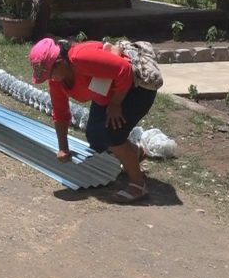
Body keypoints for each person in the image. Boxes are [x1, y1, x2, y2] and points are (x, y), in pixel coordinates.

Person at [29, 38, 157, 204]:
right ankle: (134, 153)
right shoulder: (57, 81)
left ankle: (138, 186)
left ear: (60, 63)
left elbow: (124, 70)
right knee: (96, 137)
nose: (50, 78)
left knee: (112, 135)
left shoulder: (81, 58)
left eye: (49, 73)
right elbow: (60, 113)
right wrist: (63, 148)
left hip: (135, 88)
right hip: (106, 91)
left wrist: (115, 105)